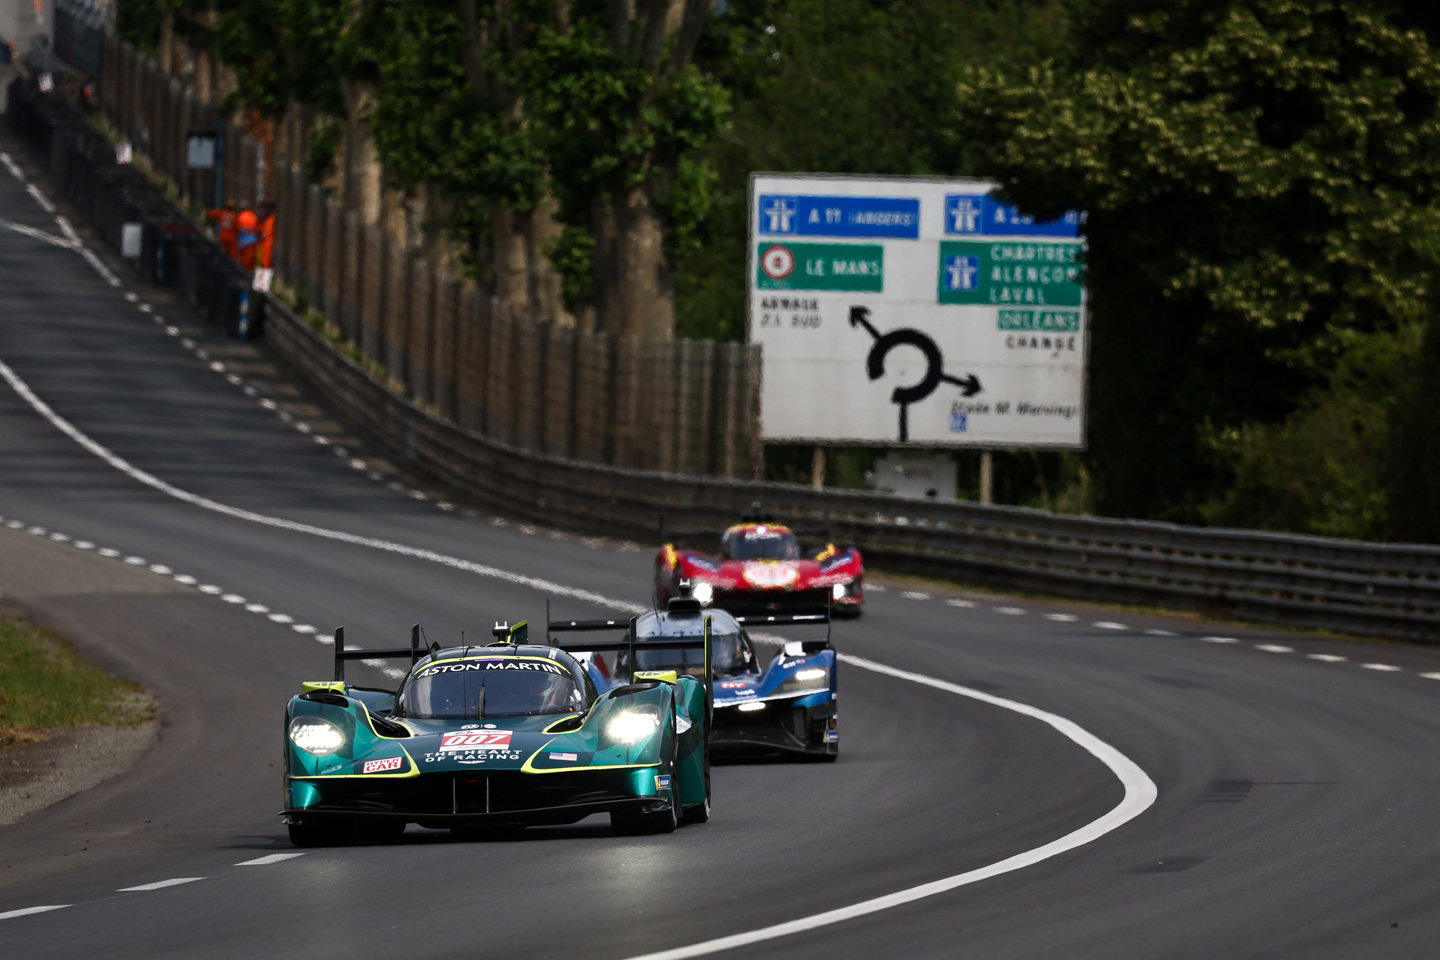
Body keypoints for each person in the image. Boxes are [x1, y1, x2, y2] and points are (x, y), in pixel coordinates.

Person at [235, 206, 259, 270]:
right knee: (251, 261)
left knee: (244, 262)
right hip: (253, 241)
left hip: (242, 243)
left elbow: (237, 229)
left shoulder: (239, 217)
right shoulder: (253, 216)